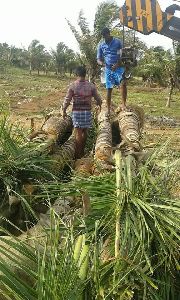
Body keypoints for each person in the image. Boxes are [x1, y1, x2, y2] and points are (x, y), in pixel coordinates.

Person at [62, 66, 102, 159]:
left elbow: (67, 100)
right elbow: (98, 98)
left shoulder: (73, 86)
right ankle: (82, 151)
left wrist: (63, 110)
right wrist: (100, 107)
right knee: (85, 131)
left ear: (76, 74)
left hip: (77, 112)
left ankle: (78, 154)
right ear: (85, 74)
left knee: (78, 133)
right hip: (87, 111)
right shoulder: (91, 86)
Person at [97, 27, 127, 114]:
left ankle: (124, 105)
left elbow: (122, 55)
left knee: (123, 84)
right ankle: (108, 109)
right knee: (109, 89)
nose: (104, 38)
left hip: (118, 67)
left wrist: (118, 64)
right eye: (103, 37)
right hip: (108, 69)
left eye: (105, 36)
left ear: (109, 34)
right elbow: (98, 59)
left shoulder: (118, 42)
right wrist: (102, 64)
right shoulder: (101, 45)